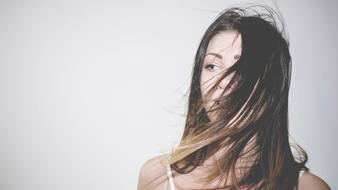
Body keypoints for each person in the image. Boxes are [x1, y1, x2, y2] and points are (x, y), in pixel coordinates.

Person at [137, 4, 331, 190]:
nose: (223, 81)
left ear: (272, 85)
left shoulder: (308, 187)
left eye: (241, 69)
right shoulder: (156, 178)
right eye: (212, 66)